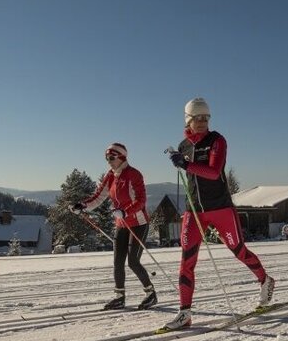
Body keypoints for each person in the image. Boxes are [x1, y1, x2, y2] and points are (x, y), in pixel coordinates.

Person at [164, 97, 274, 329]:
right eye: (197, 118)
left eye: (206, 118)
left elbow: (214, 172)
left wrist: (185, 165)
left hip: (221, 208)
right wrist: (181, 162)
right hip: (194, 211)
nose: (202, 122)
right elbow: (190, 174)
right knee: (187, 260)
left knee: (238, 250)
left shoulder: (217, 141)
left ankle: (265, 280)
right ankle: (184, 313)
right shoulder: (183, 146)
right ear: (188, 120)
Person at [69, 143, 157, 310]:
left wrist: (125, 212)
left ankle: (150, 293)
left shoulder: (133, 174)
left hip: (138, 222)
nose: (108, 161)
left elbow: (141, 201)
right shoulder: (111, 175)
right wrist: (82, 206)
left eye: (111, 157)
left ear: (121, 157)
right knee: (117, 262)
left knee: (132, 261)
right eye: (107, 158)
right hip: (121, 223)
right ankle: (119, 297)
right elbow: (98, 197)